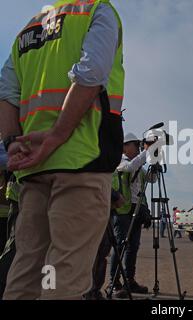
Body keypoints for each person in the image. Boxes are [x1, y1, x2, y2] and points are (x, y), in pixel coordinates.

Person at [0, 0, 125, 299]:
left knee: (30, 269)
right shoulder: (97, 10)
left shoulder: (27, 29)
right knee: (62, 273)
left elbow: (7, 91)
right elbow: (92, 70)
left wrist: (11, 143)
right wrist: (57, 135)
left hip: (34, 169)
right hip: (81, 161)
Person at [109, 133, 151, 297]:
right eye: (136, 145)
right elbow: (130, 167)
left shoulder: (138, 165)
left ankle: (129, 281)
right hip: (122, 211)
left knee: (133, 247)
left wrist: (154, 160)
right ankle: (114, 282)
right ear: (125, 146)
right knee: (120, 246)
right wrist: (147, 152)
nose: (139, 148)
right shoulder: (121, 161)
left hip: (136, 210)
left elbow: (152, 178)